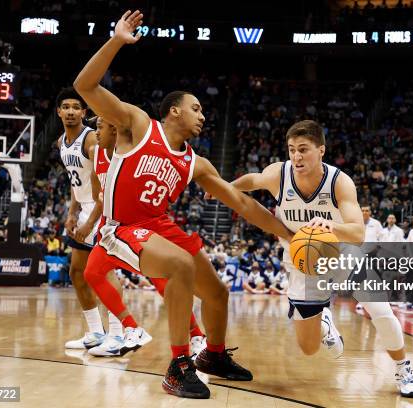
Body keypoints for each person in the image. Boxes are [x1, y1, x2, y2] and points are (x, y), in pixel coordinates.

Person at [73, 10, 292, 399]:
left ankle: (214, 355)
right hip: (120, 227)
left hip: (159, 226)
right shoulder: (137, 124)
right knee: (179, 264)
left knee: (218, 293)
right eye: (197, 109)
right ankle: (178, 366)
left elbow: (242, 202)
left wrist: (288, 235)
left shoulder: (196, 163)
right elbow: (85, 84)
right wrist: (117, 41)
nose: (203, 116)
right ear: (174, 110)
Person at [227, 120, 413, 398]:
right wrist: (225, 187)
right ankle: (325, 321)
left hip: (342, 252)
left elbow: (357, 232)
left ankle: (404, 369)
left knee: (380, 309)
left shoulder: (339, 182)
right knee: (308, 348)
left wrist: (332, 227)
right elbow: (254, 179)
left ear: (321, 150)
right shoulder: (279, 174)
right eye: (292, 149)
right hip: (302, 261)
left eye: (303, 150)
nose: (296, 156)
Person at [87, 116, 206, 358]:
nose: (96, 132)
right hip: (111, 229)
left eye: (100, 126)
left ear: (114, 127)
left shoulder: (133, 152)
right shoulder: (96, 153)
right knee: (91, 272)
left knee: (162, 281)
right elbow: (97, 191)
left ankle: (196, 337)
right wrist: (92, 218)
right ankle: (131, 328)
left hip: (137, 227)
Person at [56, 88, 122, 350]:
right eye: (66, 107)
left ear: (85, 112)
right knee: (76, 272)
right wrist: (72, 213)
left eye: (76, 107)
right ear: (59, 112)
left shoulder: (91, 141)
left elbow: (102, 187)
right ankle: (96, 332)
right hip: (84, 208)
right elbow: (76, 182)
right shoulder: (62, 142)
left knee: (103, 272)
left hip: (101, 209)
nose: (71, 111)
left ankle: (118, 333)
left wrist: (88, 221)